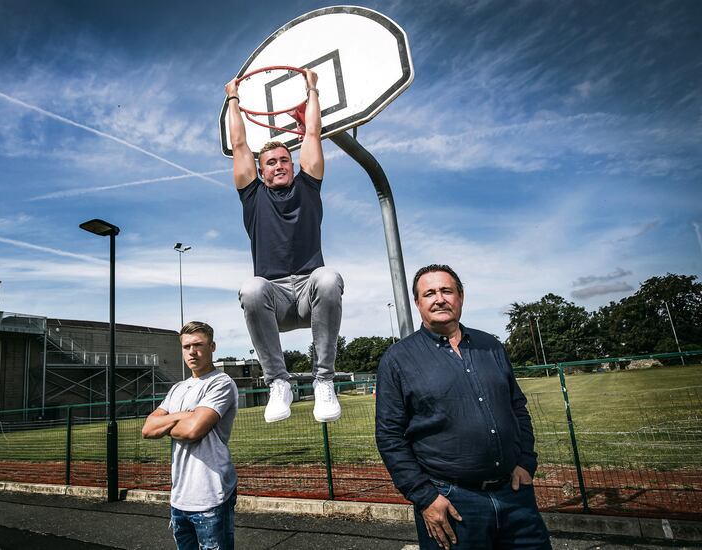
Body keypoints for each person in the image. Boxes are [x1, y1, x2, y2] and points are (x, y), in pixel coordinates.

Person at [375, 265, 551, 550]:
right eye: (429, 293)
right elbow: (389, 436)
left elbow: (517, 407)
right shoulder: (397, 359)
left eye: (446, 290)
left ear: (461, 296)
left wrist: (526, 462)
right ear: (418, 303)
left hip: (515, 495)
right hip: (451, 502)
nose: (439, 298)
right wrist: (425, 497)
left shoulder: (491, 345)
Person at [224, 68, 343, 424]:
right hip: (272, 298)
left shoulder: (308, 186)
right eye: (271, 162)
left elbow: (312, 132)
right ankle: (279, 382)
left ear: (293, 165)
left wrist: (312, 89)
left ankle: (324, 380)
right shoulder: (253, 195)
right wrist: (233, 96)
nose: (279, 165)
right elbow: (240, 145)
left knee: (327, 276)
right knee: (251, 287)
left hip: (309, 294)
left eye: (284, 161)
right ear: (260, 171)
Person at [142, 321, 238, 550]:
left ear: (212, 346)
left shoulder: (221, 383)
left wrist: (167, 423)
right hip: (179, 499)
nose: (192, 352)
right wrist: (186, 414)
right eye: (186, 347)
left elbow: (193, 431)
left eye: (198, 345)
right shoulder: (177, 389)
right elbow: (147, 429)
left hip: (210, 496)